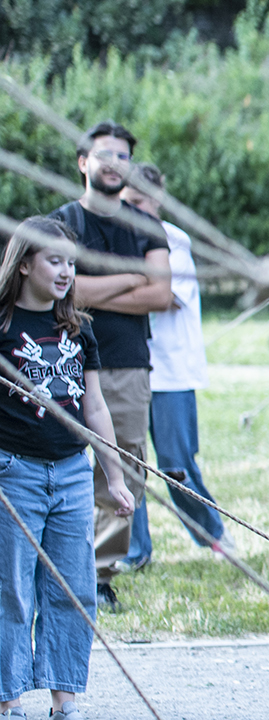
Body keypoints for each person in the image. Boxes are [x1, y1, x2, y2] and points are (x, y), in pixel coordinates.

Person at [0, 217, 133, 720]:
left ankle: (64, 706)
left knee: (73, 588)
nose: (65, 270)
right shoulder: (3, 324)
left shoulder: (78, 328)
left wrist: (114, 475)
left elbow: (94, 406)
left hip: (72, 474)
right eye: (54, 260)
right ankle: (8, 707)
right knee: (10, 588)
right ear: (25, 262)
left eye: (71, 263)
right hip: (14, 471)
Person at [56, 122, 170, 611]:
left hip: (125, 364)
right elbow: (66, 291)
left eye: (122, 156)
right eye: (104, 153)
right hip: (59, 361)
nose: (113, 162)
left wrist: (91, 290)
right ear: (83, 161)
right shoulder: (59, 224)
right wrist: (129, 278)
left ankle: (99, 576)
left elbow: (162, 294)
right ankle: (57, 569)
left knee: (122, 467)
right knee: (55, 469)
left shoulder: (146, 226)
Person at [120, 163, 232, 557]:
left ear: (157, 200)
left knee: (175, 465)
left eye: (140, 202)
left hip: (171, 370)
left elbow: (164, 296)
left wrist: (104, 290)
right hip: (128, 366)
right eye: (126, 202)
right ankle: (134, 550)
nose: (133, 210)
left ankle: (213, 534)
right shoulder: (114, 239)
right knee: (125, 464)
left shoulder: (173, 240)